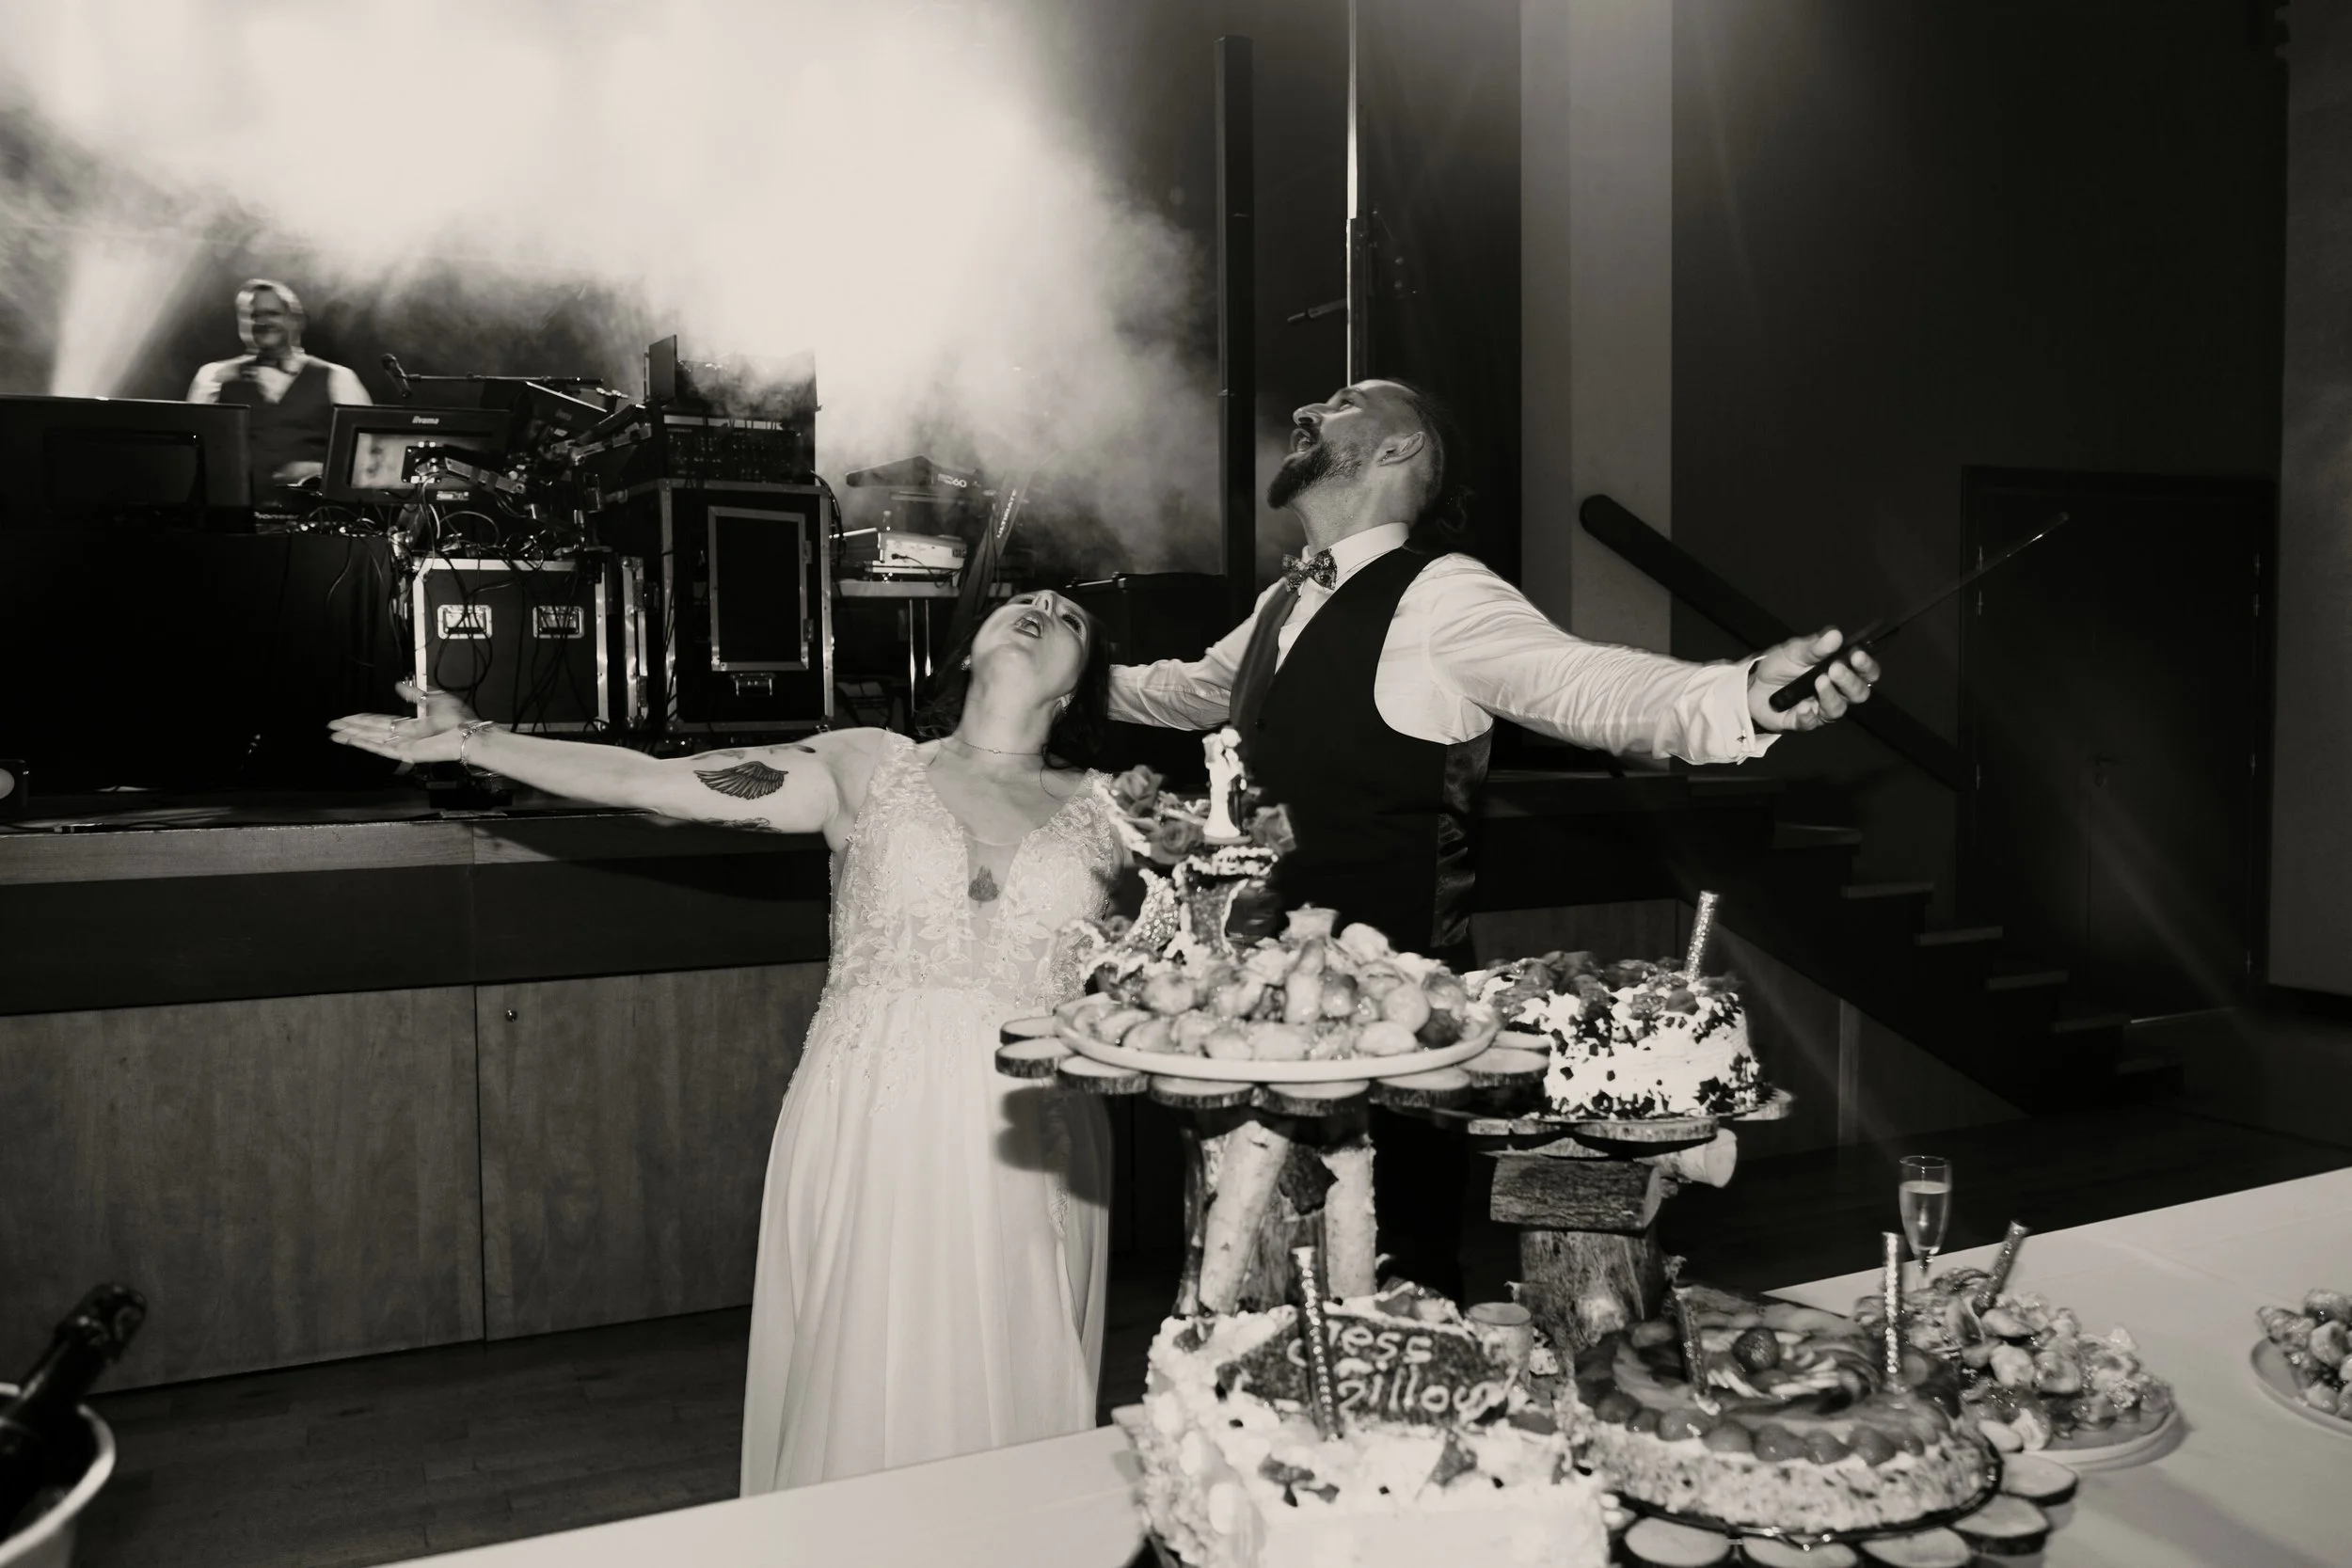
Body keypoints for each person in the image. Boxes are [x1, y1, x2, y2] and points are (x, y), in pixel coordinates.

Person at [329, 589, 1124, 1491]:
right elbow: (647, 781)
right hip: (874, 1115)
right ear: (970, 648)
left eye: (1069, 617)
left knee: (1021, 1355)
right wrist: (479, 739)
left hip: (1037, 1133)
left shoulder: (1116, 814)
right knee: (865, 1363)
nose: (1042, 605)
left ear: (1078, 686)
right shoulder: (868, 767)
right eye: (1021, 599)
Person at [1107, 378, 1881, 1294]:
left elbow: (1578, 684)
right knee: (1251, 1273)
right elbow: (1192, 689)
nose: (1310, 408)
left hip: (1396, 1039)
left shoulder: (1440, 595)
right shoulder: (1284, 598)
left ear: (1399, 448)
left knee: (1392, 1283)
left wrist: (1740, 693)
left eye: (1344, 399)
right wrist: (1059, 679)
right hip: (1255, 1023)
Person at [186, 278, 371, 500]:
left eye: (272, 313)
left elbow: (366, 457)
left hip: (312, 513)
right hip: (232, 511)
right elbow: (190, 453)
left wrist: (321, 471)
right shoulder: (214, 376)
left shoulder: (338, 378)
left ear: (296, 320)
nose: (263, 322)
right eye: (253, 315)